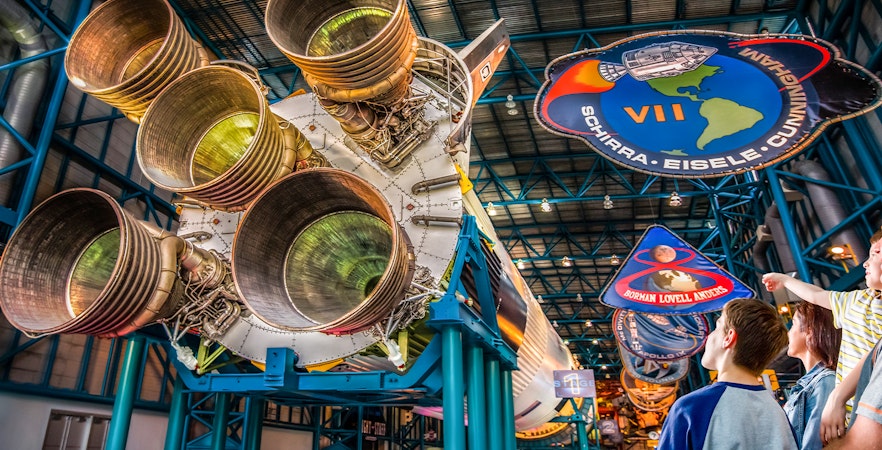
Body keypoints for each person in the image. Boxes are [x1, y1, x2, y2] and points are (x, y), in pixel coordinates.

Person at [657, 298, 796, 450]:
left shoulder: (692, 408)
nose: (709, 336)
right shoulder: (780, 417)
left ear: (729, 338)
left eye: (716, 328)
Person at [762, 232, 882, 404]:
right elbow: (817, 295)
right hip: (850, 409)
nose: (865, 263)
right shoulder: (857, 300)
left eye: (876, 253)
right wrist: (785, 280)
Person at [782, 302, 841, 449]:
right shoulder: (810, 384)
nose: (789, 332)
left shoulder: (825, 381)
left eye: (793, 324)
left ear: (809, 331)